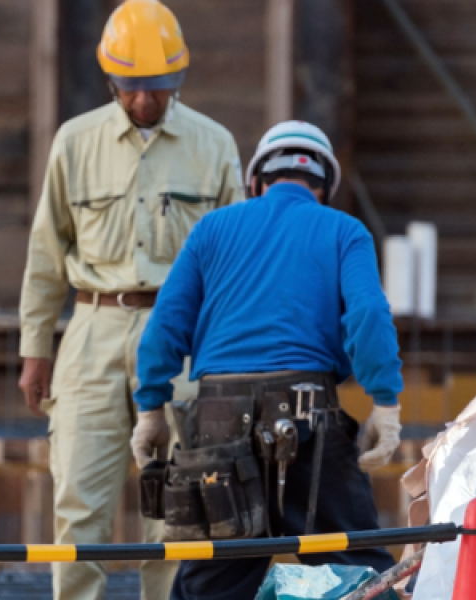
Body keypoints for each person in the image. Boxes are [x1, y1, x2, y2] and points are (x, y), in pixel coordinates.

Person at [17, 2, 244, 598]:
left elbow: (233, 267)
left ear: (179, 80)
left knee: (179, 508)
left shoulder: (214, 145)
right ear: (111, 79)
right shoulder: (74, 142)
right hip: (91, 329)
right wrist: (35, 349)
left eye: (158, 88)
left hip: (183, 339)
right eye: (132, 87)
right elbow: (47, 253)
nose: (145, 100)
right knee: (78, 503)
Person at [132, 121, 403, 600]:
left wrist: (151, 407)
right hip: (308, 421)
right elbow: (368, 313)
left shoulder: (211, 230)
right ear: (323, 188)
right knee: (363, 573)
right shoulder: (343, 230)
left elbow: (165, 326)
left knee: (211, 582)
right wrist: (384, 399)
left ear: (255, 182)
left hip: (218, 427)